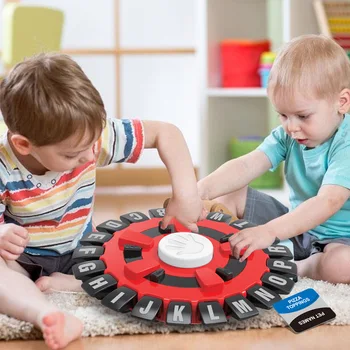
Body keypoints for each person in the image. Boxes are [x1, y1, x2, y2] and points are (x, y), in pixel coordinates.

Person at [0, 53, 202, 349]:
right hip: (22, 260)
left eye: (94, 144)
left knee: (146, 252)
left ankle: (74, 282)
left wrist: (186, 196)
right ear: (23, 145)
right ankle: (47, 313)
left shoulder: (86, 138)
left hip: (83, 252)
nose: (89, 157)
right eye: (71, 155)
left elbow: (166, 133)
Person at [198, 34, 350, 285]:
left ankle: (300, 267)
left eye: (302, 116)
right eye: (283, 115)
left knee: (342, 266)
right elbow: (247, 164)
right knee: (231, 194)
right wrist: (198, 191)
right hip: (298, 229)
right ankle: (227, 251)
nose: (291, 127)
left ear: (341, 102)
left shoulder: (346, 144)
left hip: (341, 241)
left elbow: (328, 201)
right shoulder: (288, 135)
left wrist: (269, 232)